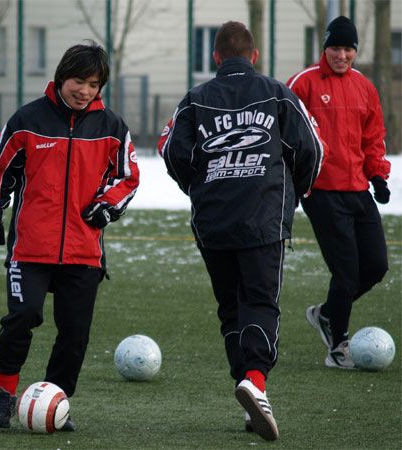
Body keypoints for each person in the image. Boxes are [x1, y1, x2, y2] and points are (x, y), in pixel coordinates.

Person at [158, 21, 324, 441]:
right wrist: (295, 193)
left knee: (231, 306)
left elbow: (172, 152)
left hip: (213, 221)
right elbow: (310, 149)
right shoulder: (277, 93)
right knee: (260, 300)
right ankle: (256, 381)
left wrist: (201, 187)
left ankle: (249, 395)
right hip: (264, 217)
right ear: (254, 56)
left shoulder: (195, 99)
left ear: (215, 58)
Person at [0, 41, 140, 430]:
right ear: (62, 77)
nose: (84, 91)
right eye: (79, 81)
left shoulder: (112, 127)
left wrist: (108, 204)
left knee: (75, 333)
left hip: (84, 250)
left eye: (94, 84)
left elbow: (128, 178)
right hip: (31, 246)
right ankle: (3, 393)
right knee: (22, 316)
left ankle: (55, 401)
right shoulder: (27, 119)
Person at [287, 16, 391, 369]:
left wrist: (378, 176)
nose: (342, 55)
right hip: (322, 192)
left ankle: (327, 314)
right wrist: (295, 181)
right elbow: (285, 135)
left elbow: (373, 138)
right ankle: (338, 346)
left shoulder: (365, 87)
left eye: (348, 49)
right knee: (346, 272)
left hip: (358, 190)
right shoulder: (303, 85)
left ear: (355, 51)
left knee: (376, 265)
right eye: (336, 47)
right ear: (325, 48)